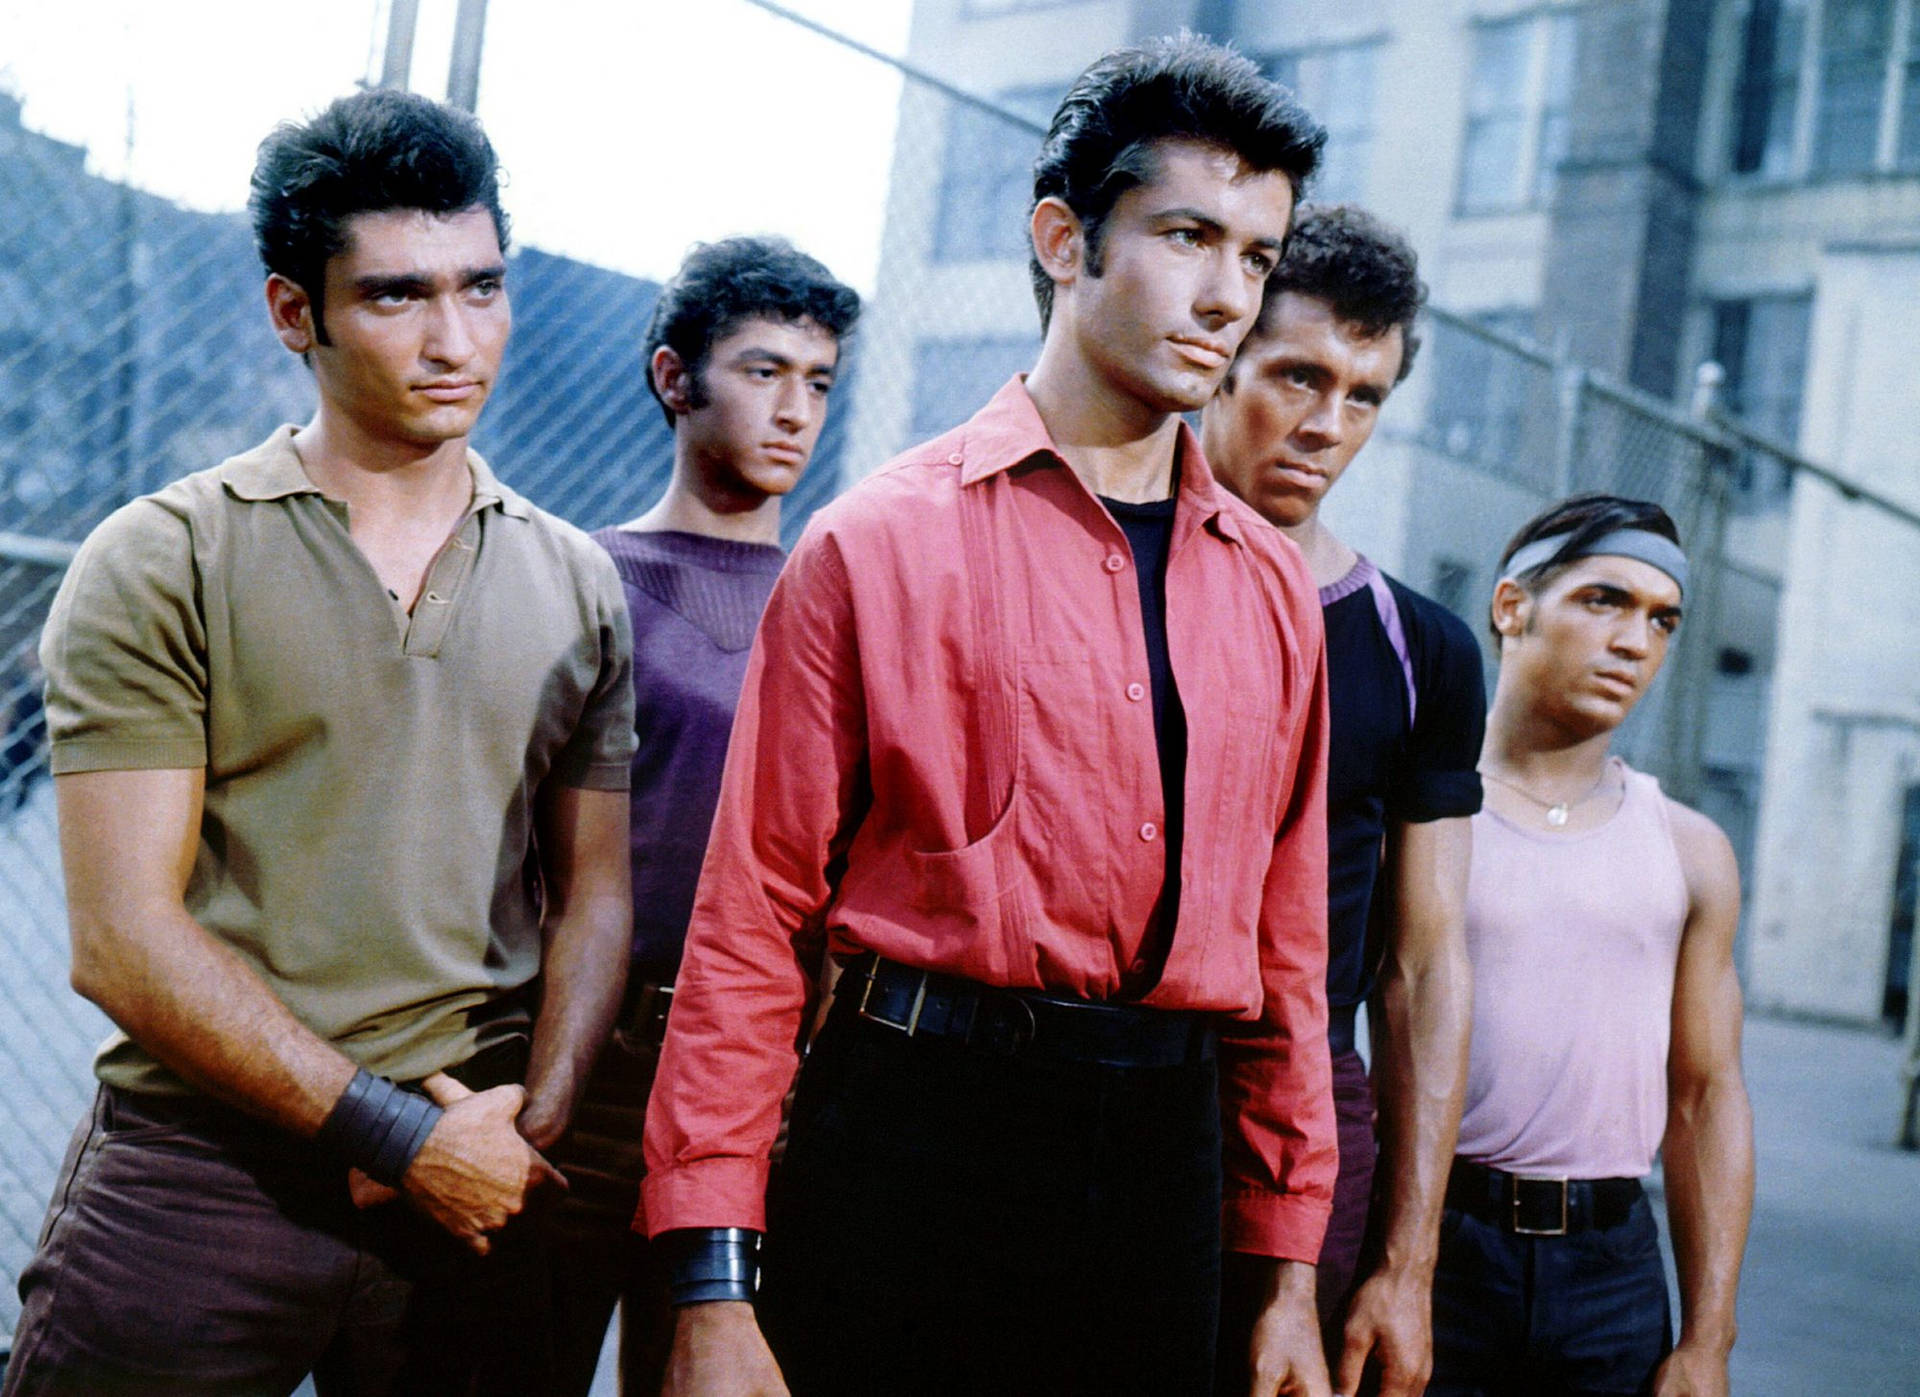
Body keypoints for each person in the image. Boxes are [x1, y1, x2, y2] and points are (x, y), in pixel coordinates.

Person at [642, 35, 1339, 1397]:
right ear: (1065, 236)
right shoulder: (876, 546)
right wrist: (713, 1284)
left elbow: (1290, 961)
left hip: (1161, 1158)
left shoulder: (1272, 593)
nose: (1225, 295)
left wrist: (1288, 1271)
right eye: (1189, 235)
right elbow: (748, 925)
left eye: (1256, 256)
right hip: (912, 1136)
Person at [3, 89, 636, 1397]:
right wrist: (389, 1131)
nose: (456, 339)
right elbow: (123, 939)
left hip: (479, 1161)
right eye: (399, 296)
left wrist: (533, 1115)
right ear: (298, 312)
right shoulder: (164, 556)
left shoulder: (576, 583)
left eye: (483, 287)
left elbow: (597, 895)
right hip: (208, 1165)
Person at [545, 236, 859, 1396]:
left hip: (759, 1077)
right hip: (590, 1055)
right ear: (677, 378)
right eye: (764, 371)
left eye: (819, 381)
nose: (796, 410)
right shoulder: (584, 574)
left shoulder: (837, 589)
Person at [1201, 204, 1483, 1397]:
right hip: (1100, 1088)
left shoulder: (1422, 648)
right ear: (1219, 361)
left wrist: (1408, 1265)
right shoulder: (1107, 589)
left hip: (1314, 1106)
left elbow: (1425, 965)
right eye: (1298, 376)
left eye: (1364, 395)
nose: (1327, 424)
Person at [1430, 495, 1753, 1396]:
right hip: (1438, 1244)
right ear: (1511, 606)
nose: (1634, 640)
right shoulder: (1426, 820)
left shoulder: (1689, 848)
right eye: (1603, 600)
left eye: (1661, 620)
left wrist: (1708, 1338)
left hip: (1612, 1268)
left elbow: (1706, 1095)